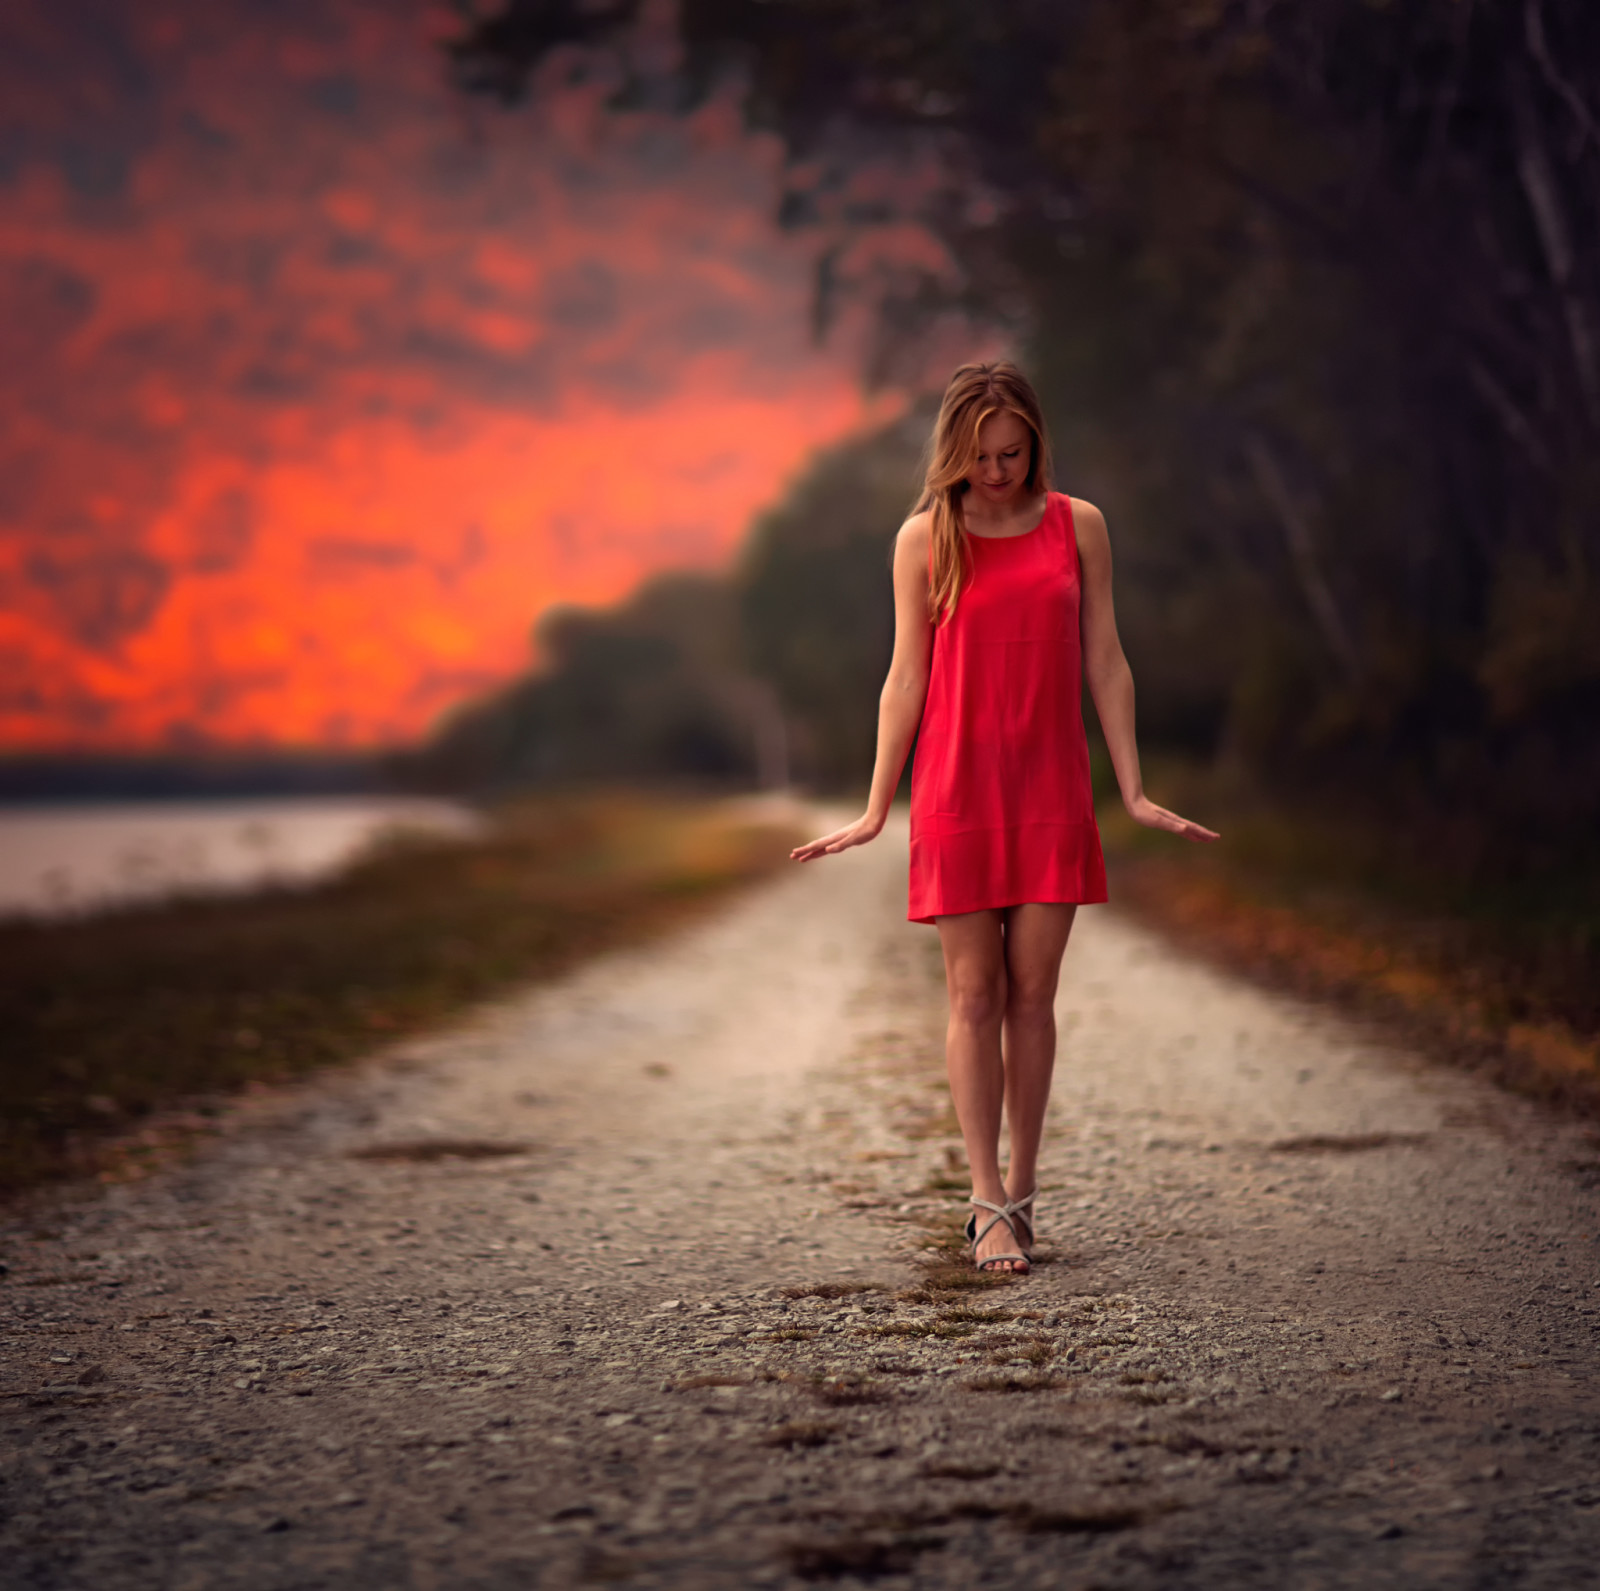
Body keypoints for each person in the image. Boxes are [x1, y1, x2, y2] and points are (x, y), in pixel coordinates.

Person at [791, 361, 1218, 1274]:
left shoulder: (1079, 525)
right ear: (953, 452)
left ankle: (1022, 1194)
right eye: (980, 456)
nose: (996, 471)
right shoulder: (923, 538)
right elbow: (905, 678)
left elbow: (1105, 657)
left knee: (1034, 995)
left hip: (1049, 785)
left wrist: (1133, 789)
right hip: (955, 787)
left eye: (1012, 453)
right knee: (971, 995)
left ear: (1035, 442)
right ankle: (982, 1201)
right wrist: (875, 807)